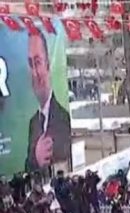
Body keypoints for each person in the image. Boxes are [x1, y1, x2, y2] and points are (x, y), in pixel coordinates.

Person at [25, 33, 71, 172]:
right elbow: (28, 167)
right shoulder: (33, 123)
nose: (34, 73)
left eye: (38, 62)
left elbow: (63, 159)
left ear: (48, 65)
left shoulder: (63, 118)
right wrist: (36, 158)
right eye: (30, 64)